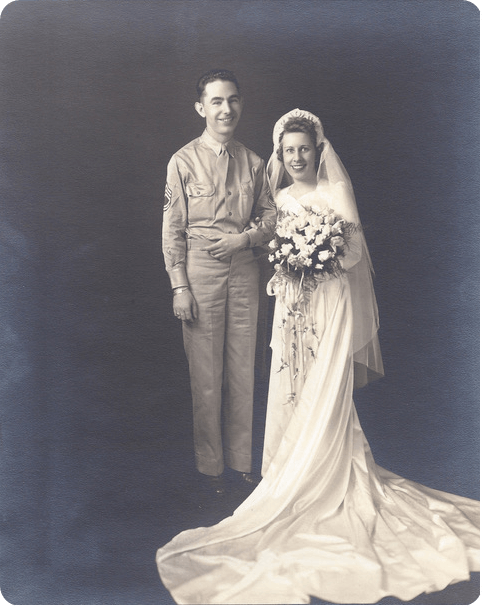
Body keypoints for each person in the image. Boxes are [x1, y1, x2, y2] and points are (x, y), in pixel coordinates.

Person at [157, 109, 479, 604]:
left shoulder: (336, 193)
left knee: (325, 389)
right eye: (289, 151)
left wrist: (317, 253)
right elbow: (271, 248)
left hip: (330, 304)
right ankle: (288, 471)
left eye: (304, 148)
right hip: (291, 306)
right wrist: (290, 259)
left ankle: (324, 472)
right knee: (290, 387)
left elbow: (352, 255)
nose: (297, 157)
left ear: (318, 148)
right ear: (280, 157)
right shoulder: (281, 197)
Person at [161, 69, 276, 495]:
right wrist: (180, 286)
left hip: (245, 270)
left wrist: (244, 239)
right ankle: (210, 469)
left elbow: (270, 218)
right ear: (201, 108)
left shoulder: (255, 162)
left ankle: (243, 462)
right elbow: (171, 229)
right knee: (206, 375)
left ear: (240, 104)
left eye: (233, 100)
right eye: (216, 101)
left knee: (244, 369)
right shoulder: (183, 161)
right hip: (201, 273)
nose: (226, 109)